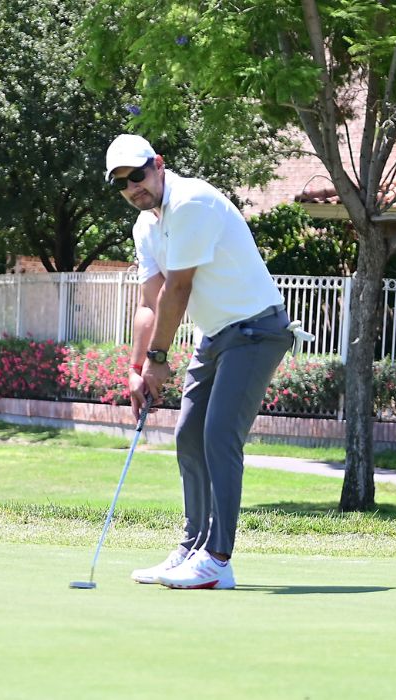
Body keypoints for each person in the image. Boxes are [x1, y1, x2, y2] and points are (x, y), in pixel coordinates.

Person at [106, 134, 295, 590]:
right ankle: (192, 547)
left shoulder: (192, 202)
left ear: (159, 164)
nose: (134, 187)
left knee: (217, 436)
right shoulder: (146, 227)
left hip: (257, 330)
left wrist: (159, 357)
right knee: (189, 434)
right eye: (122, 183)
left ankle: (218, 559)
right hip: (217, 335)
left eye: (138, 174)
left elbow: (179, 290)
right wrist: (137, 370)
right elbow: (150, 302)